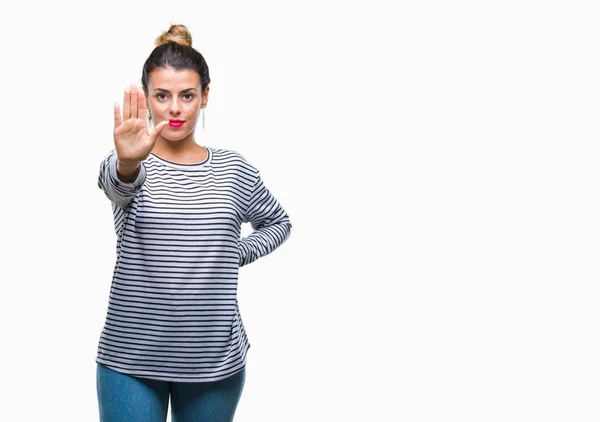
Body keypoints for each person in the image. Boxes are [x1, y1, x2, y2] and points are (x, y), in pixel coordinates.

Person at [95, 24, 292, 421]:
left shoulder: (235, 170)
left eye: (186, 95)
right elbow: (117, 186)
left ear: (205, 97)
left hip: (214, 361)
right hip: (131, 358)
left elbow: (278, 222)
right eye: (162, 95)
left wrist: (232, 252)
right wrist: (130, 161)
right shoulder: (130, 165)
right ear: (147, 97)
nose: (174, 108)